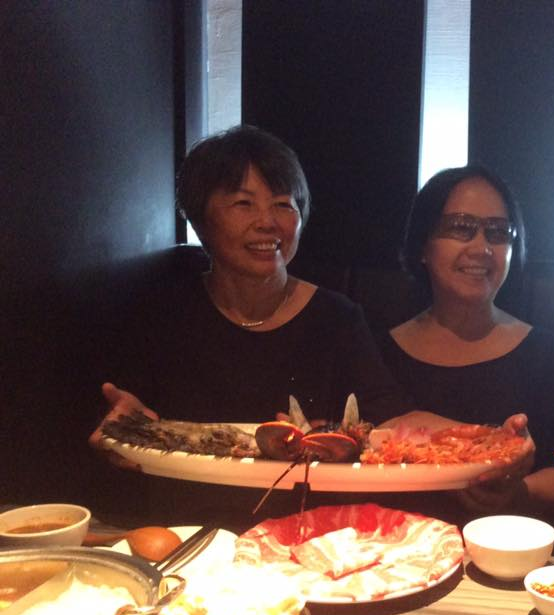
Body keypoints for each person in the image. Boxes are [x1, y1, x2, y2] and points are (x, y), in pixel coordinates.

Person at [88, 127, 530, 528]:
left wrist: (493, 441)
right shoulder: (163, 313)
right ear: (201, 220)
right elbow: (131, 414)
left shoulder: (336, 318)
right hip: (183, 532)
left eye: (284, 204)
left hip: (306, 537)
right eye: (243, 203)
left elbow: (395, 418)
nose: (268, 221)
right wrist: (122, 429)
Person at [380, 165, 554, 543]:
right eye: (460, 227)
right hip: (391, 550)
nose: (482, 248)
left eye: (498, 232)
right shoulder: (378, 351)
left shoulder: (550, 354)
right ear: (423, 245)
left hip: (509, 554)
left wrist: (517, 492)